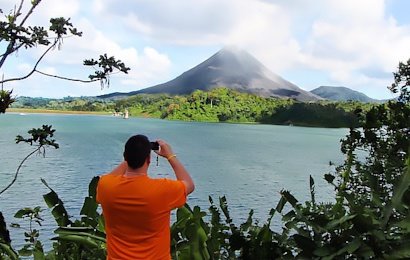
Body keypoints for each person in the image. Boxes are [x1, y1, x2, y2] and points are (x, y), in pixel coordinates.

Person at [96, 134, 195, 260]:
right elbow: (189, 185)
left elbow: (109, 178)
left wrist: (132, 156)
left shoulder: (106, 186)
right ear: (149, 159)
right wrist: (170, 156)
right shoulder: (161, 190)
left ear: (125, 157)